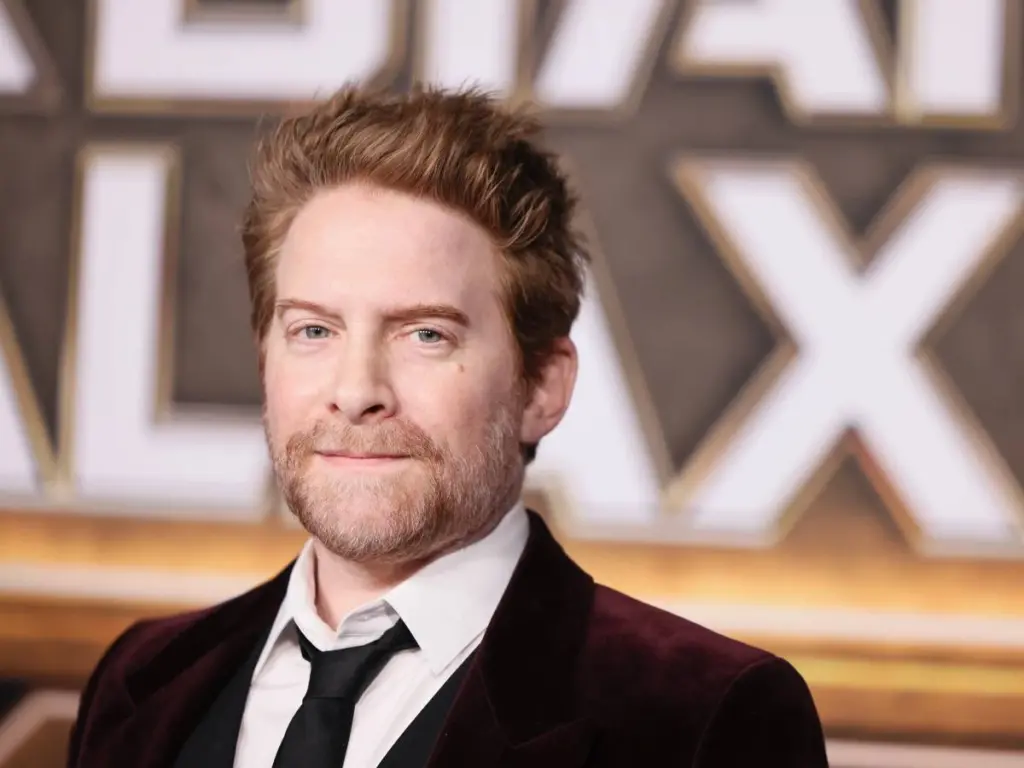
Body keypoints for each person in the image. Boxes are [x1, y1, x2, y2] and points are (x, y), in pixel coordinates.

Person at [66, 84, 829, 768]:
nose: (357, 392)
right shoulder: (144, 678)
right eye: (314, 331)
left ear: (542, 386)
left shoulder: (702, 720)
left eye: (425, 334)